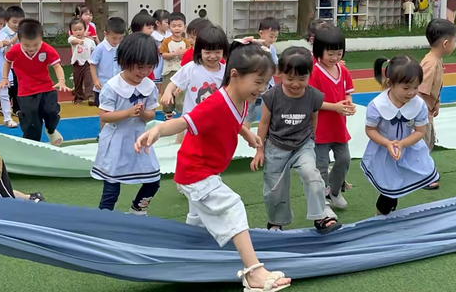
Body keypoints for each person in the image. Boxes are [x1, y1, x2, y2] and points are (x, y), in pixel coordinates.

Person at [135, 41, 292, 292]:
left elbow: (234, 120)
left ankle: (182, 261)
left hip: (206, 171)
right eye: (258, 82)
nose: (262, 89)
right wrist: (157, 131)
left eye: (266, 83)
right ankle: (253, 273)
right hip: (196, 173)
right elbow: (185, 122)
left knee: (197, 224)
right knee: (232, 206)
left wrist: (246, 134)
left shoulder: (241, 98)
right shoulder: (215, 103)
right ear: (235, 75)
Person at [250, 47, 342, 234]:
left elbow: (313, 118)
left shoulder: (313, 95)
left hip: (303, 145)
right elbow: (264, 123)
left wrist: (312, 140)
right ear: (280, 74)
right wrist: (259, 150)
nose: (296, 83)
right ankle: (276, 222)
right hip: (276, 145)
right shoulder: (272, 96)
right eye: (290, 78)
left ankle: (320, 216)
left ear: (309, 75)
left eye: (302, 78)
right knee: (274, 186)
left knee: (312, 175)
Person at [91, 33, 161, 215]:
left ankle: (138, 208)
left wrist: (144, 113)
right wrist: (128, 113)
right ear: (124, 60)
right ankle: (104, 217)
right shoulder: (113, 87)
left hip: (140, 140)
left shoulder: (149, 86)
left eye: (149, 67)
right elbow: (105, 116)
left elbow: (152, 113)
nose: (144, 72)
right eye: (139, 67)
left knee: (153, 179)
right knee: (112, 186)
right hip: (116, 141)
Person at [362, 56, 439, 215]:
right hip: (383, 150)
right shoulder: (377, 106)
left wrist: (402, 144)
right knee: (389, 190)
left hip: (407, 148)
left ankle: (388, 211)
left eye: (416, 87)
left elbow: (420, 131)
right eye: (406, 88)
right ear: (390, 83)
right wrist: (388, 144)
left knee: (397, 186)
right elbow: (370, 130)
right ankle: (380, 217)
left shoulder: (418, 104)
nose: (412, 93)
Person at [0, 19, 70, 145]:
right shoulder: (15, 50)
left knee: (51, 112)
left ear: (42, 39)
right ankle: (32, 143)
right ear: (19, 40)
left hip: (47, 88)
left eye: (36, 45)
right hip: (26, 91)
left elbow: (57, 66)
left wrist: (61, 81)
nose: (31, 49)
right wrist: (4, 78)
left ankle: (51, 130)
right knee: (31, 120)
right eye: (27, 45)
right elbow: (7, 61)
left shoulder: (47, 49)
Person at [309, 25, 356, 210]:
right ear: (319, 51)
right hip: (320, 130)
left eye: (339, 53)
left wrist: (348, 104)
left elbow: (348, 93)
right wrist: (335, 107)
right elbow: (312, 102)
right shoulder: (314, 72)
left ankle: (334, 191)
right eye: (331, 54)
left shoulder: (343, 71)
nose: (335, 58)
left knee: (344, 160)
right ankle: (322, 201)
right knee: (321, 166)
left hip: (338, 128)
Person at [161, 25, 229, 144]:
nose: (213, 56)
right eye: (208, 52)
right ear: (199, 51)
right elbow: (174, 82)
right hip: (192, 121)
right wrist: (167, 93)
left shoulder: (225, 71)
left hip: (216, 122)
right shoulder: (191, 68)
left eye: (217, 52)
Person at [418, 18, 456, 190]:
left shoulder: (436, 61)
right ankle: (423, 176)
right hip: (421, 113)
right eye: (455, 41)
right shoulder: (431, 63)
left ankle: (424, 171)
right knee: (423, 143)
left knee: (429, 141)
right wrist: (421, 115)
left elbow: (434, 88)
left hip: (427, 111)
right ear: (446, 43)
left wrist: (436, 104)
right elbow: (419, 91)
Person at [243, 18, 280, 129]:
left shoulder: (272, 49)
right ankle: (245, 132)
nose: (273, 39)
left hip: (267, 86)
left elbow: (275, 65)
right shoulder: (253, 47)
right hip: (255, 86)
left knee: (263, 110)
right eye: (271, 36)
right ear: (261, 33)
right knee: (249, 111)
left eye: (276, 37)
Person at [159, 12, 191, 120]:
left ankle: (182, 116)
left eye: (179, 26)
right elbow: (163, 54)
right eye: (174, 26)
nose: (177, 29)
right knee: (168, 94)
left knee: (181, 95)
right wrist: (175, 54)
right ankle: (168, 116)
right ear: (169, 27)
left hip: (182, 72)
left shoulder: (186, 42)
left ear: (184, 27)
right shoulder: (166, 41)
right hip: (169, 71)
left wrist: (184, 53)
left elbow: (189, 54)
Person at [89, 17, 126, 107]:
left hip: (118, 85)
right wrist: (95, 80)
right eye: (114, 38)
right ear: (105, 34)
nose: (117, 41)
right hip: (103, 85)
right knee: (104, 109)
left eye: (120, 38)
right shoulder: (100, 48)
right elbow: (92, 64)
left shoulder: (121, 47)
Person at [0, 5, 25, 118]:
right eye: (14, 22)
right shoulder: (3, 33)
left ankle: (17, 108)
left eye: (20, 22)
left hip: (19, 65)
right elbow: (7, 48)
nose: (17, 25)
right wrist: (17, 36)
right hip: (7, 65)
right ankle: (2, 105)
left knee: (18, 86)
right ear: (7, 21)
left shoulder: (23, 31)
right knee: (9, 87)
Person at [68, 18, 96, 105]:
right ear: (71, 31)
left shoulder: (90, 41)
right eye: (75, 30)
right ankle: (79, 97)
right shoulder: (72, 38)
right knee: (77, 81)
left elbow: (95, 51)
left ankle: (90, 96)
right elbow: (72, 41)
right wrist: (78, 41)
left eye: (80, 29)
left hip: (88, 64)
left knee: (89, 80)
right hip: (76, 64)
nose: (78, 32)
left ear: (85, 29)